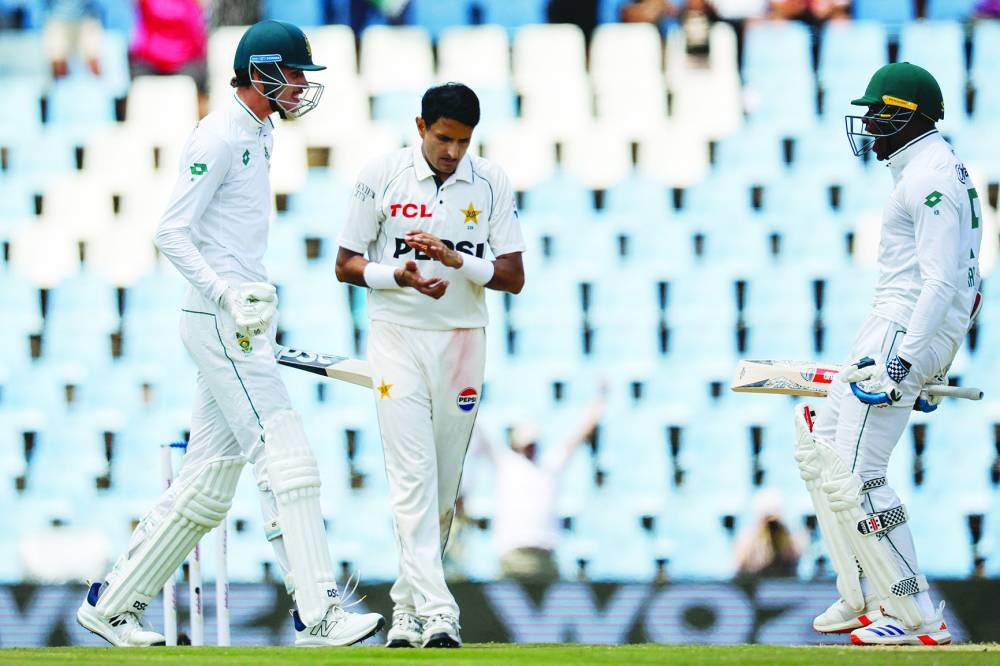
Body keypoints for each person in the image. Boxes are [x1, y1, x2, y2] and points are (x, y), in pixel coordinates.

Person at [75, 19, 384, 648]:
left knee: (208, 486)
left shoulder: (261, 130)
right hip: (221, 320)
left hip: (240, 318)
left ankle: (113, 604)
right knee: (286, 453)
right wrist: (225, 294)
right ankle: (319, 612)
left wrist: (247, 298)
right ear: (262, 71)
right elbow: (170, 231)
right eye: (294, 75)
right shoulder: (218, 135)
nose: (301, 87)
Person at [795, 62, 982, 646]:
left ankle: (914, 614)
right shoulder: (925, 169)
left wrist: (909, 363)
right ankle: (860, 591)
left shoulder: (930, 180)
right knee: (818, 443)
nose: (869, 126)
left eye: (877, 113)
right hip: (892, 326)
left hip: (901, 333)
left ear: (906, 116)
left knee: (860, 476)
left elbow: (945, 283)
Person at [335, 82, 526, 648]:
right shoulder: (380, 174)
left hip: (463, 339)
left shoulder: (490, 180)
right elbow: (346, 264)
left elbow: (513, 276)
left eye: (463, 142)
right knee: (411, 477)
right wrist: (398, 274)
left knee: (441, 488)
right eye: (443, 138)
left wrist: (454, 258)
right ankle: (441, 612)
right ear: (420, 127)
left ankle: (407, 610)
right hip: (396, 335)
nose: (452, 152)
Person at [475, 391, 606, 583]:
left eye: (533, 443)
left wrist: (600, 399)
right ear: (516, 443)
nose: (530, 448)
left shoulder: (550, 464)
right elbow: (478, 429)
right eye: (526, 443)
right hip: (512, 555)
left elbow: (579, 436)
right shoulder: (507, 464)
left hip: (545, 555)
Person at [732, 488, 803, 578]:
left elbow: (793, 561)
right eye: (768, 522)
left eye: (774, 523)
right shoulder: (747, 539)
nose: (771, 528)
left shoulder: (791, 539)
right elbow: (739, 569)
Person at [41, 0, 103, 79]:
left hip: (87, 17)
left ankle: (99, 87)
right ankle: (59, 87)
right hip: (57, 19)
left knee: (93, 61)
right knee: (58, 64)